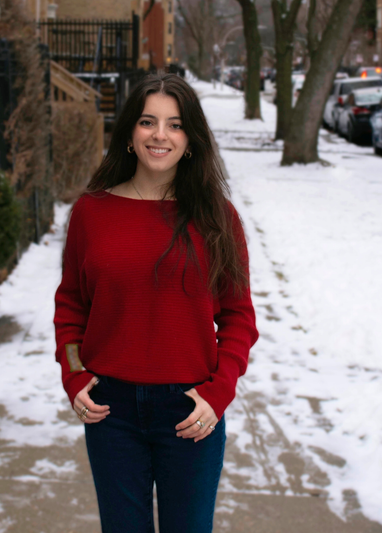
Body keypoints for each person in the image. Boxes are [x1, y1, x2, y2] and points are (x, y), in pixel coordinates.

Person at [53, 73, 259, 533]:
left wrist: (218, 391)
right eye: (148, 122)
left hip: (191, 410)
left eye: (175, 124)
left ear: (191, 139)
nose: (160, 135)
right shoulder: (92, 212)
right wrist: (74, 371)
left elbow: (238, 318)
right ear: (130, 132)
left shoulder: (216, 217)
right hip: (111, 411)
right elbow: (70, 309)